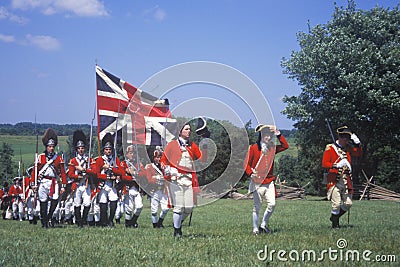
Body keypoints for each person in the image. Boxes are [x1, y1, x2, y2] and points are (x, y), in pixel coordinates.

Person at [161, 118, 209, 238]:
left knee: (188, 207)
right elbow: (163, 161)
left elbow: (203, 158)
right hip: (175, 180)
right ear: (180, 131)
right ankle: (177, 231)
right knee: (178, 207)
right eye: (186, 129)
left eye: (190, 129)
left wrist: (205, 142)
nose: (189, 131)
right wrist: (169, 171)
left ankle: (177, 224)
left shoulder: (192, 145)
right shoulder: (172, 145)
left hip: (188, 180)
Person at [244, 124, 289, 235]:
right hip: (257, 182)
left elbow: (285, 146)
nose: (268, 138)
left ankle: (263, 224)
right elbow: (246, 164)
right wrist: (251, 173)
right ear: (261, 135)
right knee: (257, 207)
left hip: (269, 182)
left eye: (270, 135)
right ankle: (255, 229)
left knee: (272, 204)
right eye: (266, 135)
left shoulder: (272, 148)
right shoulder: (253, 148)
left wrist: (279, 134)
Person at [322, 126, 362, 228]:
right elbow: (324, 164)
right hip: (334, 179)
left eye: (348, 139)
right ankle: (335, 226)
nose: (347, 141)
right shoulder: (330, 148)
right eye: (346, 139)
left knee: (348, 203)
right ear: (340, 138)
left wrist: (357, 143)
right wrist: (336, 165)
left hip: (346, 179)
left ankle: (334, 217)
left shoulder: (348, 148)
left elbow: (358, 153)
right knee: (336, 203)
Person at [31, 128, 67, 228]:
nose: (51, 148)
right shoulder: (40, 157)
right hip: (43, 181)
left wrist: (63, 185)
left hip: (54, 182)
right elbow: (35, 171)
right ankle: (44, 222)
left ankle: (49, 217)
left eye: (52, 146)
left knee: (55, 199)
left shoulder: (58, 158)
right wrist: (33, 184)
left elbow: (63, 173)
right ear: (46, 147)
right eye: (49, 146)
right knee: (43, 202)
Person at [93, 133, 123, 227]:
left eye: (110, 149)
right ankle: (104, 222)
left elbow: (120, 172)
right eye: (106, 149)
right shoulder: (99, 160)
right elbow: (96, 174)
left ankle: (110, 220)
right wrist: (108, 177)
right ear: (104, 150)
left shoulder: (115, 160)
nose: (108, 151)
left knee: (114, 202)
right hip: (103, 185)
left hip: (112, 185)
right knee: (103, 204)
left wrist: (110, 168)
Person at [68, 130, 95, 228]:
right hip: (77, 185)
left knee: (87, 203)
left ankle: (84, 220)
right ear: (76, 149)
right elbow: (70, 174)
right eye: (79, 148)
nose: (81, 150)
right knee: (77, 204)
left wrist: (84, 169)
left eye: (82, 148)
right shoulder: (73, 161)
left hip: (86, 184)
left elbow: (94, 172)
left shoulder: (89, 160)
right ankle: (79, 223)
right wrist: (78, 176)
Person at [120, 144, 144, 228]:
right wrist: (132, 177)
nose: (132, 155)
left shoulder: (138, 164)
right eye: (130, 153)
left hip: (137, 188)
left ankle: (133, 221)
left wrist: (133, 173)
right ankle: (127, 224)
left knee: (139, 206)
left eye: (133, 153)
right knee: (129, 208)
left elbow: (143, 174)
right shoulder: (123, 163)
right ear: (126, 154)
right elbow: (122, 176)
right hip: (128, 188)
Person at [145, 147, 169, 228]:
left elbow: (169, 177)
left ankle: (160, 222)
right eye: (157, 157)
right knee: (154, 210)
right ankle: (155, 225)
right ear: (154, 158)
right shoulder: (149, 166)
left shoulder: (165, 167)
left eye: (160, 157)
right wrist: (158, 178)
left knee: (165, 208)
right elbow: (149, 179)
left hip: (163, 190)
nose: (159, 159)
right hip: (154, 190)